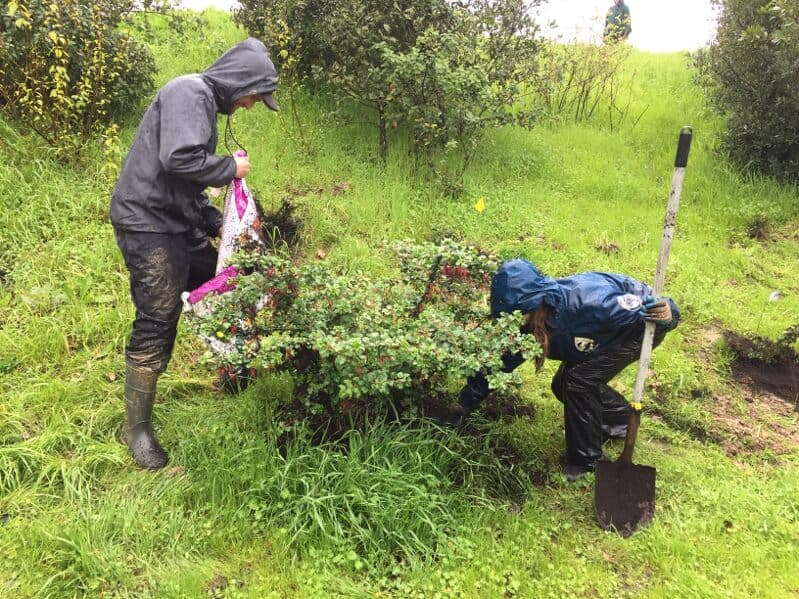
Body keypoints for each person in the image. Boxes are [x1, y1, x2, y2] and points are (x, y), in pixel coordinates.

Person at [110, 38, 279, 469]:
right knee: (158, 317)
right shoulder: (191, 92)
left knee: (222, 282)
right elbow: (179, 158)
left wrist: (216, 222)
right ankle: (138, 432)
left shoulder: (201, 101)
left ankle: (234, 370)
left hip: (174, 221)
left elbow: (186, 183)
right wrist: (230, 168)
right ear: (242, 81)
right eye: (255, 97)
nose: (251, 106)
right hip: (147, 225)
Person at [446, 258, 679, 481]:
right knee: (562, 385)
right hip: (597, 334)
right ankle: (620, 420)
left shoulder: (592, 306)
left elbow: (659, 306)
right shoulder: (526, 322)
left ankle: (587, 462)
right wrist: (463, 405)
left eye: (518, 314)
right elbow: (499, 363)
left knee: (578, 381)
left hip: (638, 329)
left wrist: (668, 314)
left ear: (536, 303)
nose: (512, 321)